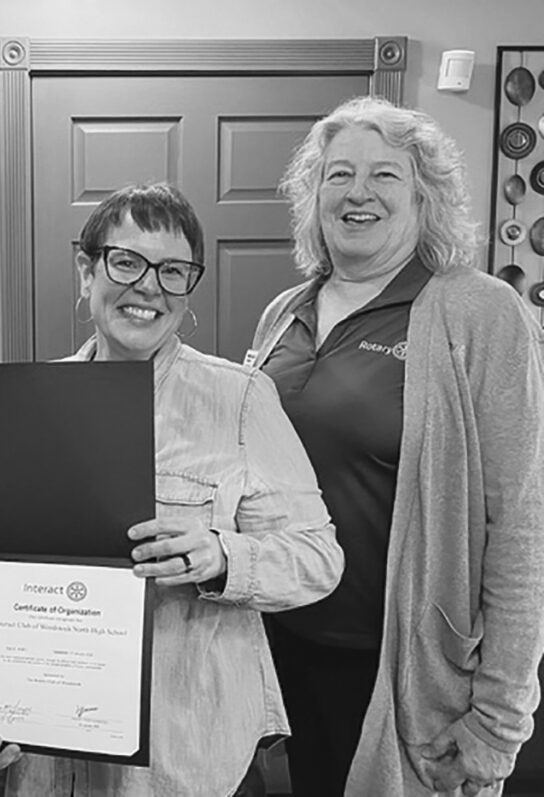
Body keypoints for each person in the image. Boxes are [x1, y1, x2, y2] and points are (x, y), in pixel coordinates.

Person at [0, 183, 345, 796]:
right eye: (126, 262)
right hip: (55, 761)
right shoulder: (30, 405)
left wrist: (223, 557)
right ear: (86, 271)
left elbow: (319, 558)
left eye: (173, 271)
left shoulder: (241, 398)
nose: (149, 287)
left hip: (192, 755)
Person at [250, 96, 544, 796]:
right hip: (274, 657)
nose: (358, 192)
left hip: (402, 674)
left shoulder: (477, 312)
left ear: (424, 196)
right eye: (338, 174)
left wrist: (500, 717)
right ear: (313, 196)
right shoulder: (283, 313)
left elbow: (523, 527)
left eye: (385, 175)